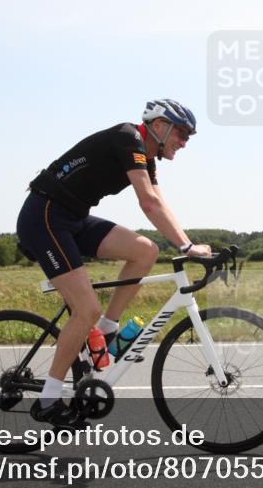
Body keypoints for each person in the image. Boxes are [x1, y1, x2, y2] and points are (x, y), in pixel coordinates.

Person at [16, 99, 211, 428]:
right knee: (85, 309)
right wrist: (187, 246)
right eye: (182, 133)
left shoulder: (147, 158)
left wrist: (188, 242)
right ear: (159, 126)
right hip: (45, 216)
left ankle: (107, 331)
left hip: (74, 218)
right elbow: (147, 202)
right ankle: (48, 398)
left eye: (188, 137)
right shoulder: (128, 137)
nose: (184, 142)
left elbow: (158, 200)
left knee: (146, 251)